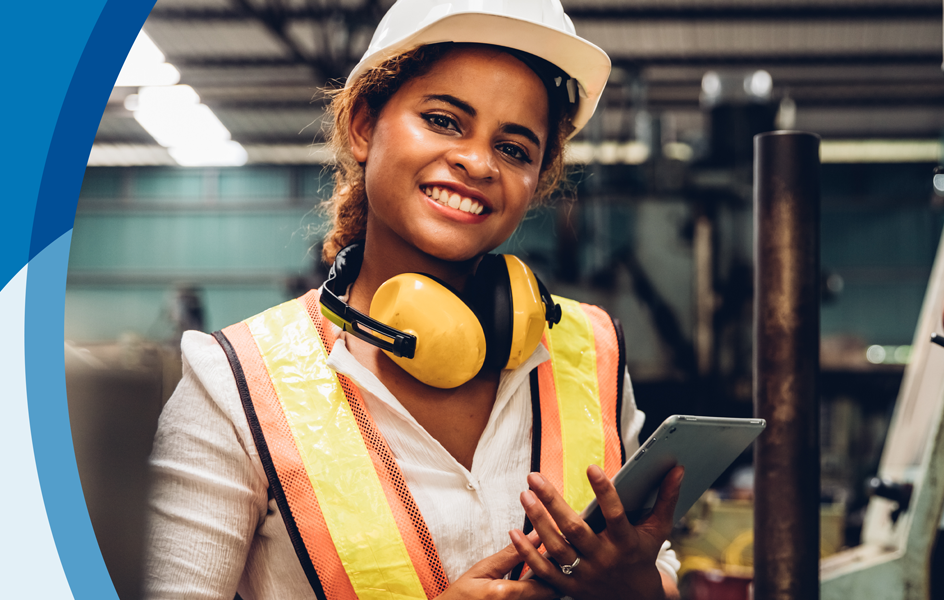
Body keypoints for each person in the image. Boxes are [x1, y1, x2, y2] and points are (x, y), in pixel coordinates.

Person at [143, 2, 682, 599]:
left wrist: (642, 591)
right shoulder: (233, 384)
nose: (477, 162)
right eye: (445, 120)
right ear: (365, 126)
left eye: (514, 149)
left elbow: (662, 573)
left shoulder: (592, 352)